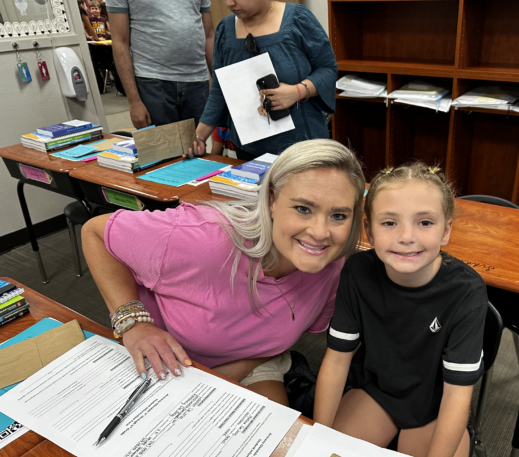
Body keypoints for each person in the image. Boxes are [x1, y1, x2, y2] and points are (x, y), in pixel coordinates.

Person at [82, 140, 366, 406]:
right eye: (303, 209)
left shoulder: (332, 267)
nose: (319, 233)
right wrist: (133, 322)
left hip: (253, 361)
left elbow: (272, 343)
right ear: (272, 201)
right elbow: (95, 233)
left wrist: (235, 369)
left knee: (270, 444)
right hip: (168, 358)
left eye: (338, 216)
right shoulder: (203, 238)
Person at [313, 162, 488, 457]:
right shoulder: (357, 272)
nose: (407, 237)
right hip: (377, 391)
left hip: (435, 407)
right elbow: (337, 361)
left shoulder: (467, 290)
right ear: (369, 230)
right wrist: (319, 435)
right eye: (389, 223)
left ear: (446, 231)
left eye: (424, 222)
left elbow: (456, 395)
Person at [192, 0, 337, 160]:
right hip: (248, 150)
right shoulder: (225, 29)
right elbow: (219, 91)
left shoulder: (298, 19)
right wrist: (199, 138)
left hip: (301, 148)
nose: (229, 3)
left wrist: (297, 91)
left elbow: (328, 69)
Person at [105, 0, 215, 128]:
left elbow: (209, 36)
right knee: (163, 147)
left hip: (197, 80)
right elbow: (120, 42)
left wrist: (221, 88)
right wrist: (134, 101)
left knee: (198, 145)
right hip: (152, 82)